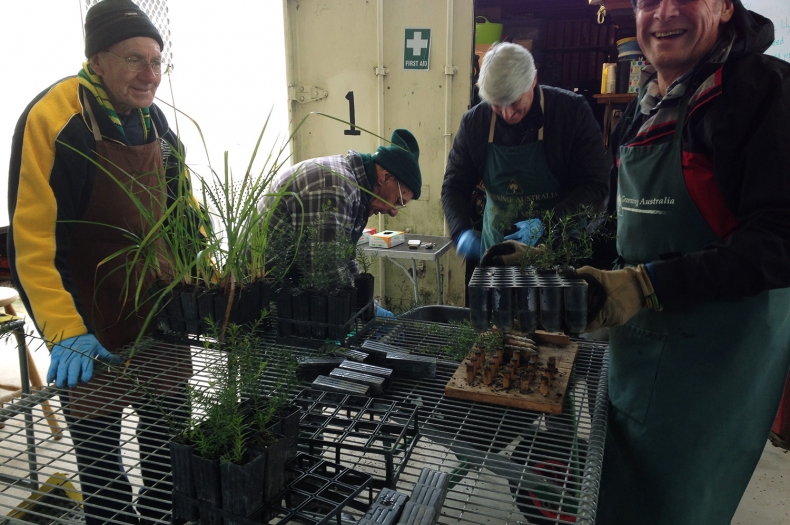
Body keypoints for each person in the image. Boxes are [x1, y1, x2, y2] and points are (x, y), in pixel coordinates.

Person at [571, 1, 790, 523]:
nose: (663, 13)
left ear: (722, 6)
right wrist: (554, 255)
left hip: (709, 374)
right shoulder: (645, 104)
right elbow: (614, 225)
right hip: (635, 356)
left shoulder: (762, 91)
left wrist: (645, 285)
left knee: (673, 508)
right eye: (648, 1)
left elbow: (779, 239)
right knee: (615, 497)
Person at [7, 1, 192, 523]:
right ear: (98, 59)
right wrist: (65, 331)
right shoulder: (54, 120)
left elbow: (187, 217)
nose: (150, 75)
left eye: (158, 62)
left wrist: (203, 283)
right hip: (89, 323)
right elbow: (32, 244)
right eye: (135, 60)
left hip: (158, 319)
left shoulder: (156, 124)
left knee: (169, 456)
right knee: (101, 465)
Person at [441, 42, 609, 263]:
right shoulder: (475, 123)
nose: (508, 113)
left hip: (557, 250)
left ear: (533, 81)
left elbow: (595, 186)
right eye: (497, 105)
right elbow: (454, 186)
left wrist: (547, 223)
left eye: (515, 102)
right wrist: (460, 231)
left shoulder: (571, 113)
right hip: (497, 252)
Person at [261, 128, 421, 317]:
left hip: (290, 291)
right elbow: (326, 273)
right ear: (385, 177)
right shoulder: (337, 187)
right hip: (264, 298)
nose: (394, 212)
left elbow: (344, 259)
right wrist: (367, 312)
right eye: (398, 201)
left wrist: (368, 305)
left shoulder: (356, 190)